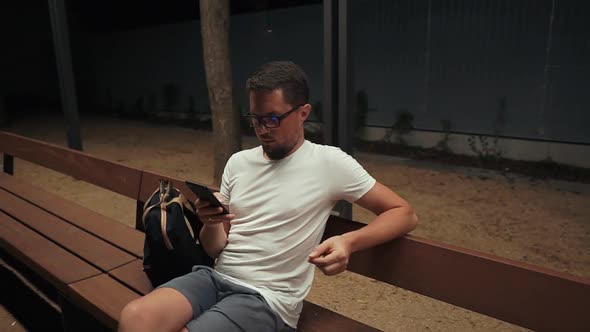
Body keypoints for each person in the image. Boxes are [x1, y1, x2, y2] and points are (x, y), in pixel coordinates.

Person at [118, 61, 418, 332]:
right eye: (255, 118)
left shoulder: (329, 163)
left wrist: (348, 242)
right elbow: (213, 249)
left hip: (268, 299)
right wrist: (210, 223)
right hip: (214, 278)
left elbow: (403, 213)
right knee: (135, 317)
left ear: (303, 113)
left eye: (272, 119)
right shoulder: (238, 163)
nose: (262, 129)